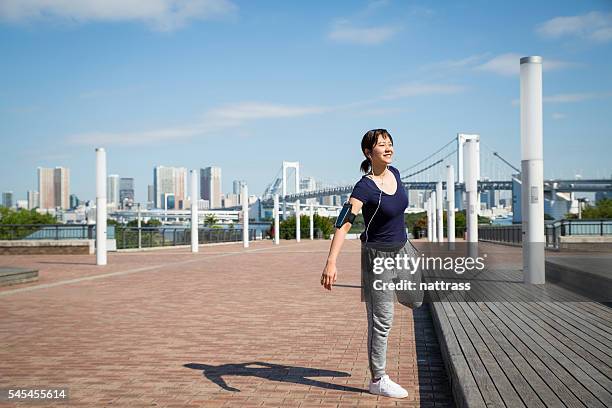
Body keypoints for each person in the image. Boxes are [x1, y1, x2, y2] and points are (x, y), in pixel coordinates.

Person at [320, 128, 422, 399]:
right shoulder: (364, 186)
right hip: (377, 256)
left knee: (415, 300)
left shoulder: (396, 173)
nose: (388, 148)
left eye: (390, 144)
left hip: (404, 249)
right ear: (368, 152)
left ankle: (389, 294)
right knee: (383, 319)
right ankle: (379, 378)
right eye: (381, 145)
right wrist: (331, 261)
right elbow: (344, 222)